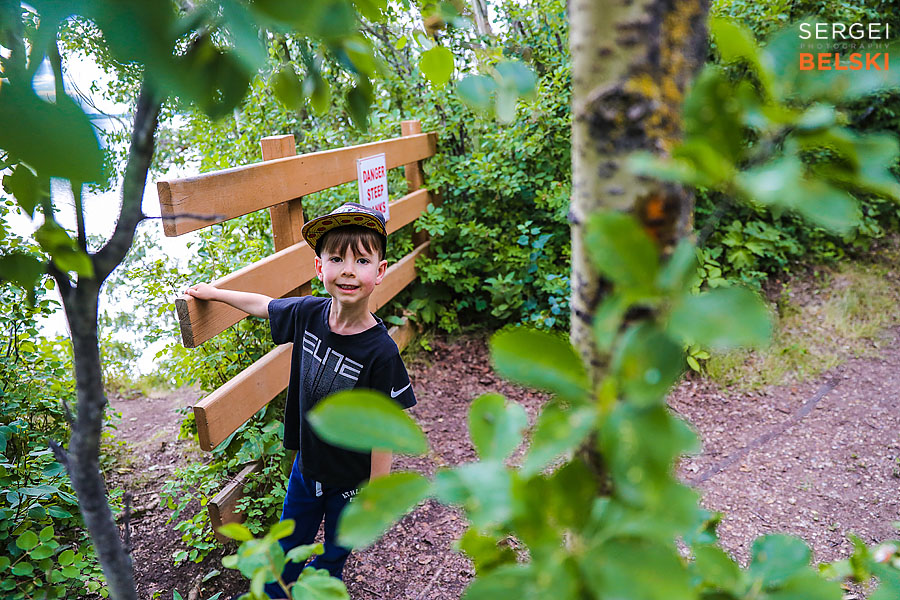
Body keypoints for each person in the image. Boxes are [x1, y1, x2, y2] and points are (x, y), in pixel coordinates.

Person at [185, 202, 417, 598]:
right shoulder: (309, 314)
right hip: (306, 471)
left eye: (361, 260)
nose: (347, 269)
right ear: (319, 267)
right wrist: (215, 293)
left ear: (379, 272)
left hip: (351, 484)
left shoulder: (380, 352)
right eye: (336, 258)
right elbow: (263, 305)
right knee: (285, 551)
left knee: (333, 557)